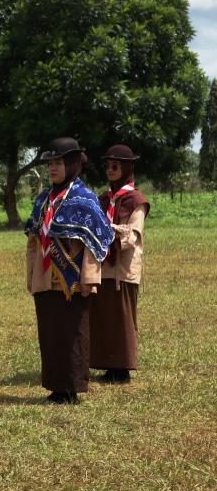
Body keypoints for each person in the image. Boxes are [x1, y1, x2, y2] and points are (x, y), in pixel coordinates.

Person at [25, 137, 114, 404]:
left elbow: (96, 241)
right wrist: (31, 275)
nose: (52, 169)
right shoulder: (43, 199)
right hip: (45, 278)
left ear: (72, 164)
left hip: (72, 281)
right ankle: (55, 386)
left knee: (73, 334)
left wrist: (89, 278)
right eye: (50, 164)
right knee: (50, 333)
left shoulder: (84, 199)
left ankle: (72, 387)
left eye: (58, 163)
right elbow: (33, 239)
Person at [92, 145, 149, 384]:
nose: (110, 170)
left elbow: (133, 234)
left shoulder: (137, 200)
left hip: (124, 268)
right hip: (102, 266)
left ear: (127, 167)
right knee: (104, 315)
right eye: (107, 165)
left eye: (116, 166)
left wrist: (110, 231)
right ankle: (107, 364)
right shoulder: (103, 198)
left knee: (122, 317)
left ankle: (122, 367)